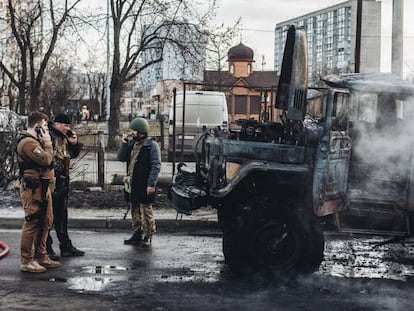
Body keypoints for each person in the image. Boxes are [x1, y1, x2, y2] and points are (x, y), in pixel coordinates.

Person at [17, 112, 61, 272]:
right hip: (33, 188)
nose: (46, 130)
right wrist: (48, 143)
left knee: (47, 220)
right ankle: (27, 260)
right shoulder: (28, 143)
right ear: (36, 126)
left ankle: (41, 255)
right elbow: (45, 159)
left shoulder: (36, 141)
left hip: (43, 186)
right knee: (33, 221)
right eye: (43, 126)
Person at [44, 113, 84, 259]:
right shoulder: (48, 136)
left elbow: (71, 154)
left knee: (62, 216)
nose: (67, 128)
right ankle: (46, 248)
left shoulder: (63, 137)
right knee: (47, 217)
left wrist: (74, 144)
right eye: (65, 125)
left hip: (62, 181)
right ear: (56, 124)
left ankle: (65, 246)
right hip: (50, 182)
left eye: (68, 126)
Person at [118, 117, 161, 247]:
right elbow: (121, 157)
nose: (132, 133)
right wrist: (124, 144)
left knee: (146, 209)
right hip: (132, 182)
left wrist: (151, 184)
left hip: (144, 182)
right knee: (134, 208)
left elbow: (156, 165)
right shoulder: (132, 144)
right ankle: (137, 232)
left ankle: (148, 235)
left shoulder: (151, 145)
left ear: (141, 131)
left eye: (134, 130)